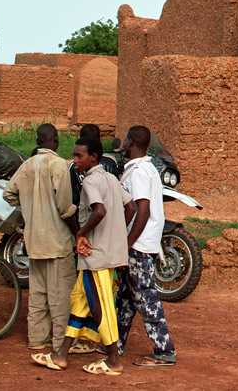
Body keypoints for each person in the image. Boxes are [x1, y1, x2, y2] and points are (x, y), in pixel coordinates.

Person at [31, 137, 133, 375]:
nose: (75, 160)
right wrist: (115, 235)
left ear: (93, 158)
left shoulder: (90, 182)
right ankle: (61, 355)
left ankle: (113, 360)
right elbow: (130, 208)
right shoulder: (111, 178)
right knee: (80, 300)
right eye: (74, 155)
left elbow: (99, 211)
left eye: (79, 156)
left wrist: (81, 234)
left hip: (97, 257)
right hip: (104, 255)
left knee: (102, 307)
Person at [4, 123, 78, 353]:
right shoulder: (59, 165)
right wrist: (78, 231)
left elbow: (9, 193)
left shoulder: (26, 166)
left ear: (38, 140)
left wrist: (28, 207)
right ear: (54, 140)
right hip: (57, 241)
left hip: (34, 241)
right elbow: (65, 207)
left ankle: (36, 339)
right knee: (59, 296)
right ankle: (58, 343)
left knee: (38, 294)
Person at [116, 125, 176, 367]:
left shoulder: (140, 172)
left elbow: (142, 210)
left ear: (131, 142)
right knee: (127, 297)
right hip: (141, 242)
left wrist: (128, 243)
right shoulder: (146, 168)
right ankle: (115, 344)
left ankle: (164, 350)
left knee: (146, 298)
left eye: (126, 140)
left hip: (138, 244)